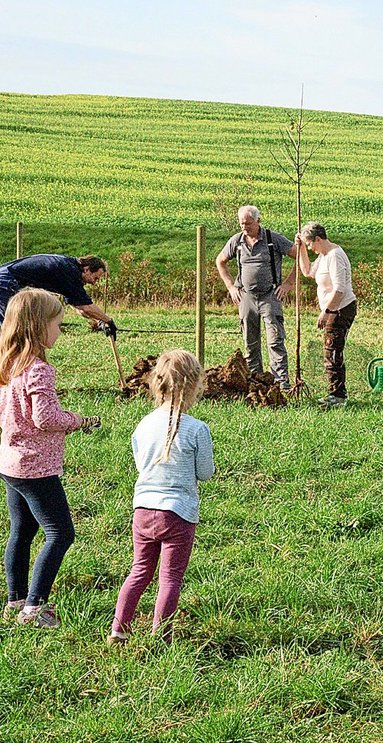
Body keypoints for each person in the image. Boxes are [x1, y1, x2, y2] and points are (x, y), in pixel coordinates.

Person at [0, 288, 100, 628]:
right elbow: (46, 418)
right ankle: (35, 608)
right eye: (57, 324)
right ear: (38, 327)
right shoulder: (39, 369)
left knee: (22, 530)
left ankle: (14, 601)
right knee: (60, 533)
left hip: (10, 462)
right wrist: (78, 420)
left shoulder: (10, 365)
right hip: (35, 467)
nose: (60, 330)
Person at [109, 350, 213, 644]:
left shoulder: (143, 424)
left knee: (140, 570)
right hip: (178, 514)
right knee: (170, 578)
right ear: (195, 385)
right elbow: (205, 472)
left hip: (143, 509)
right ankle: (161, 636)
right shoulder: (197, 430)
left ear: (157, 383)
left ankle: (118, 629)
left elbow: (141, 464)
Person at [215, 206, 298, 387]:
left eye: (248, 224)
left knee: (275, 340)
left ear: (258, 221)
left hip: (270, 296)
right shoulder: (236, 241)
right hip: (246, 296)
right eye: (242, 223)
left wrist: (288, 284)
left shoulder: (272, 239)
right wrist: (230, 286)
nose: (245, 227)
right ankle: (255, 382)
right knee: (250, 342)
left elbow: (299, 256)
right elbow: (220, 261)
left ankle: (281, 384)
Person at [294, 222, 357, 407]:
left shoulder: (335, 256)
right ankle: (335, 392)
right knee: (330, 351)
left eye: (310, 244)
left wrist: (326, 312)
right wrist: (300, 249)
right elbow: (307, 272)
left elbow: (339, 290)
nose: (310, 248)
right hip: (333, 309)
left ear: (318, 239)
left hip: (340, 309)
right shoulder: (323, 256)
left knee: (333, 351)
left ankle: (338, 395)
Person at [0, 254, 115, 335]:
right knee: (7, 326)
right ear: (87, 269)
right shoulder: (71, 273)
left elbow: (79, 307)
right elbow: (86, 306)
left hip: (7, 275)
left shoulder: (69, 267)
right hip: (6, 280)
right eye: (95, 278)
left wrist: (99, 320)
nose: (94, 283)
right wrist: (108, 320)